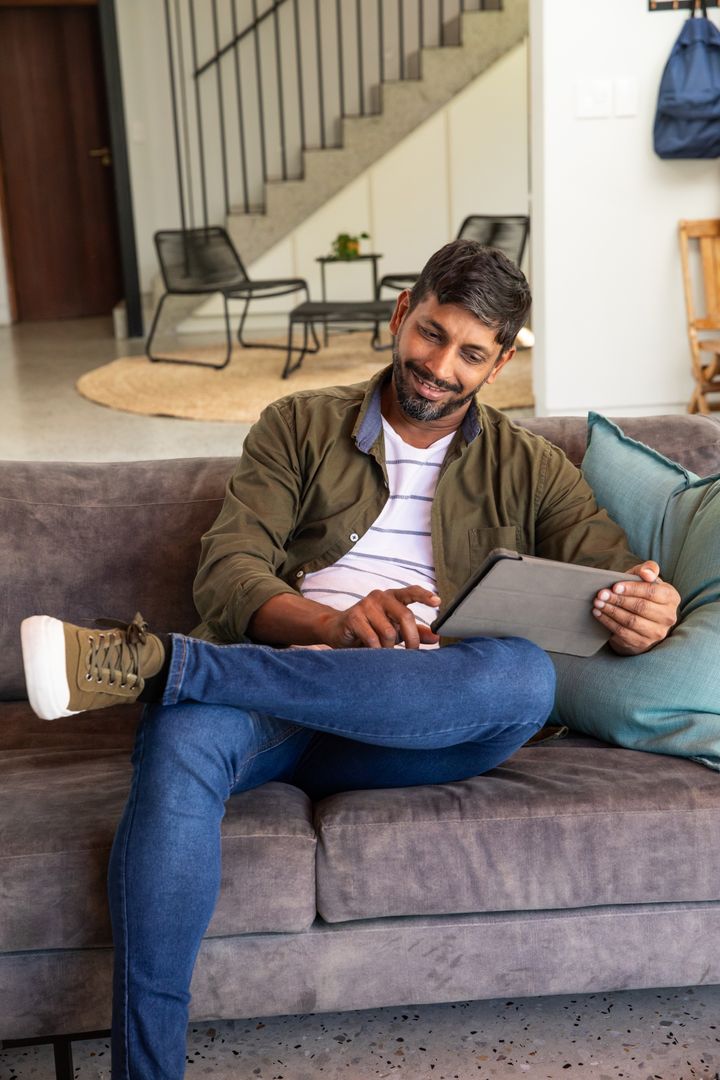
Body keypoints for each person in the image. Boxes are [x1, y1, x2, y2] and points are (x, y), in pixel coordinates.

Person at [21, 240, 680, 1079]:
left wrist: (642, 607)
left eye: (471, 353)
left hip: (427, 718)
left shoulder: (532, 467)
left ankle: (166, 667)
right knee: (181, 744)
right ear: (402, 311)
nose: (440, 366)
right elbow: (230, 572)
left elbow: (607, 577)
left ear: (500, 361)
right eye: (432, 334)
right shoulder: (298, 425)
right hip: (282, 701)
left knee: (524, 676)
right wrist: (332, 627)